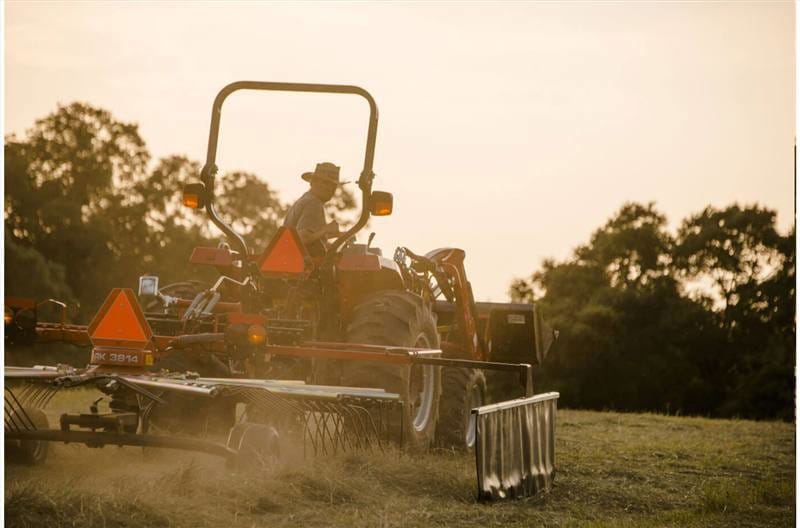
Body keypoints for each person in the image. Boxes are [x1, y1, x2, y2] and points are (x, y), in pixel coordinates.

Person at [283, 162, 346, 256]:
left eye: (333, 185)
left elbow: (310, 235)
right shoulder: (314, 203)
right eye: (326, 183)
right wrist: (326, 229)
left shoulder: (304, 199)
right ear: (313, 182)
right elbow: (302, 239)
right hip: (302, 266)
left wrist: (337, 235)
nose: (330, 189)